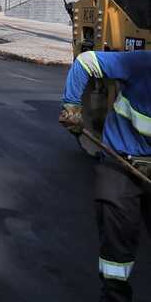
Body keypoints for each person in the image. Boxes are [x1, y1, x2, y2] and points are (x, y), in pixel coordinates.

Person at [59, 50, 151, 302]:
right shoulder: (142, 64)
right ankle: (114, 296)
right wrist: (72, 106)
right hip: (121, 162)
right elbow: (85, 62)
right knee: (117, 246)